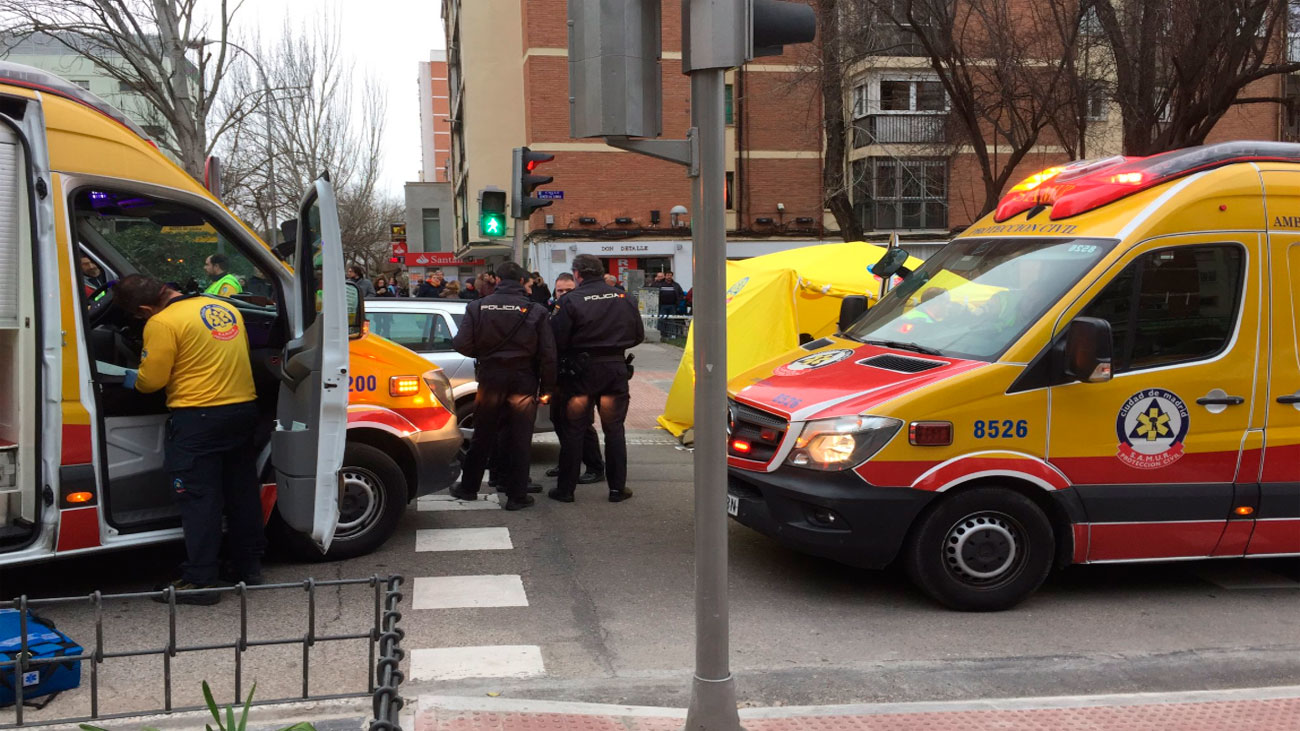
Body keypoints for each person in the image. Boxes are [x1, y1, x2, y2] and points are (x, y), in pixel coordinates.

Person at [113, 274, 262, 604]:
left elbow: (152, 382)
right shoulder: (222, 306)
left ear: (143, 307)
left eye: (140, 316)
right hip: (242, 410)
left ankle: (200, 580)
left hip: (198, 419)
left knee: (199, 499)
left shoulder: (163, 322)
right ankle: (246, 567)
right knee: (241, 493)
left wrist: (129, 380)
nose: (142, 320)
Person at [450, 262, 557, 510]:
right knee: (520, 438)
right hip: (523, 379)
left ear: (498, 280)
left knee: (483, 434)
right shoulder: (536, 311)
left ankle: (469, 487)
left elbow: (461, 344)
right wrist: (548, 389)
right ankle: (516, 495)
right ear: (521, 282)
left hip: (491, 377)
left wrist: (485, 352)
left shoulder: (477, 307)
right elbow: (548, 355)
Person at [549, 254, 644, 503]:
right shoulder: (625, 298)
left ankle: (566, 490)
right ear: (601, 272)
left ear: (578, 274)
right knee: (614, 430)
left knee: (574, 430)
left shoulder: (571, 301)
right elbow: (638, 335)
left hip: (581, 371)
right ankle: (617, 489)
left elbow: (557, 339)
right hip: (614, 368)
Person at [543, 272, 604, 484]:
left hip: (580, 374)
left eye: (568, 290)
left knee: (582, 423)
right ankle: (568, 462)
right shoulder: (553, 310)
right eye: (560, 290)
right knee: (557, 419)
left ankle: (595, 466)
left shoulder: (584, 311)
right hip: (559, 374)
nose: (564, 294)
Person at [657, 271, 685, 337]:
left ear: (672, 276)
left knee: (671, 321)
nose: (669, 277)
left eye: (670, 275)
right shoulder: (660, 284)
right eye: (667, 275)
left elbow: (681, 294)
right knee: (662, 320)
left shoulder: (676, 285)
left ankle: (671, 335)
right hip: (662, 305)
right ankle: (662, 335)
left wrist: (678, 301)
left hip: (673, 306)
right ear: (665, 276)